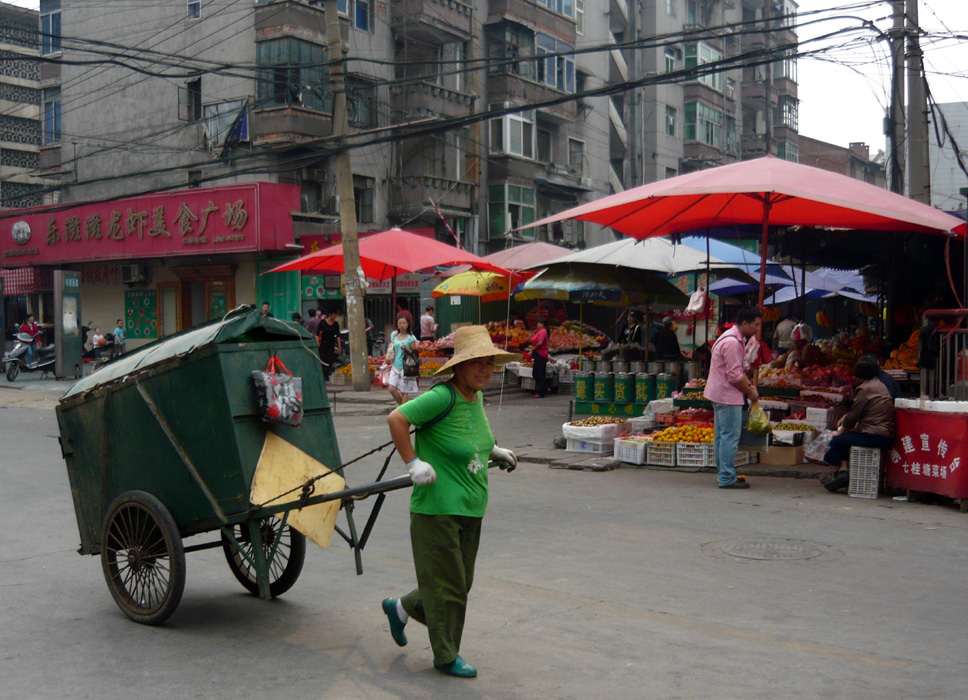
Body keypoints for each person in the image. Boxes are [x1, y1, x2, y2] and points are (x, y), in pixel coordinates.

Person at [381, 325, 520, 679]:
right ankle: (445, 655)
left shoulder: (476, 399)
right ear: (458, 366)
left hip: (471, 509)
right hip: (437, 510)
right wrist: (413, 462)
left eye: (489, 363)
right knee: (450, 589)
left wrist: (495, 450)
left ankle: (400, 609)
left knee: (458, 583)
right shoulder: (443, 396)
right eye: (477, 363)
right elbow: (397, 418)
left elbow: (475, 438)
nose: (484, 370)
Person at [704, 306, 762, 489]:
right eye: (756, 325)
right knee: (729, 436)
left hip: (720, 393)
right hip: (726, 395)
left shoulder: (734, 338)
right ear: (745, 323)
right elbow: (735, 376)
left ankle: (725, 474)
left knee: (722, 436)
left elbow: (737, 371)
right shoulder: (732, 342)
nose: (757, 329)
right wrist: (751, 392)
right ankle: (727, 477)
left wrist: (749, 385)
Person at [822, 356, 896, 493]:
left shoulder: (865, 389)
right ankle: (841, 473)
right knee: (844, 441)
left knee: (835, 441)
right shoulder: (880, 385)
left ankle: (836, 475)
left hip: (875, 435)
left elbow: (852, 416)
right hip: (883, 433)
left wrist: (839, 431)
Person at [387, 315, 418, 405]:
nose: (402, 325)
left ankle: (402, 411)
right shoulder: (394, 336)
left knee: (404, 391)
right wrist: (387, 359)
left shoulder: (410, 338)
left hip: (406, 367)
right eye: (400, 323)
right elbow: (391, 349)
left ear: (408, 324)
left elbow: (415, 353)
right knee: (392, 388)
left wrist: (407, 349)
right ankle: (403, 408)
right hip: (395, 366)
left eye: (404, 323)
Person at [317, 308, 341, 381]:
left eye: (336, 315)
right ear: (330, 314)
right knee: (323, 359)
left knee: (330, 360)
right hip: (323, 344)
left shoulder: (336, 324)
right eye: (334, 314)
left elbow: (338, 335)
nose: (335, 316)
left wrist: (340, 346)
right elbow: (318, 334)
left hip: (331, 344)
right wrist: (318, 342)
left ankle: (327, 373)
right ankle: (323, 375)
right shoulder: (323, 323)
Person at [528, 317, 550, 398]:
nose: (537, 324)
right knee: (536, 373)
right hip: (537, 354)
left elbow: (540, 343)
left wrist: (533, 349)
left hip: (541, 354)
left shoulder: (543, 332)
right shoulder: (539, 332)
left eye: (538, 323)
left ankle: (541, 392)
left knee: (540, 373)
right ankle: (544, 387)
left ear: (542, 324)